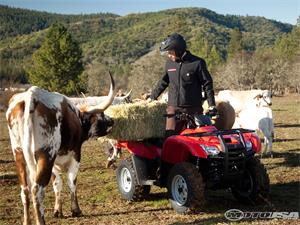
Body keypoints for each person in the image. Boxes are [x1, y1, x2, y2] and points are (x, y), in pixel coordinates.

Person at [147, 33, 217, 139]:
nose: (169, 55)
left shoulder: (197, 63)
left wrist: (212, 105)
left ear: (179, 50)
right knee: (170, 139)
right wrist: (152, 97)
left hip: (194, 110)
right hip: (174, 110)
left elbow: (207, 84)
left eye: (171, 52)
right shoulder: (169, 64)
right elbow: (163, 82)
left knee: (196, 140)